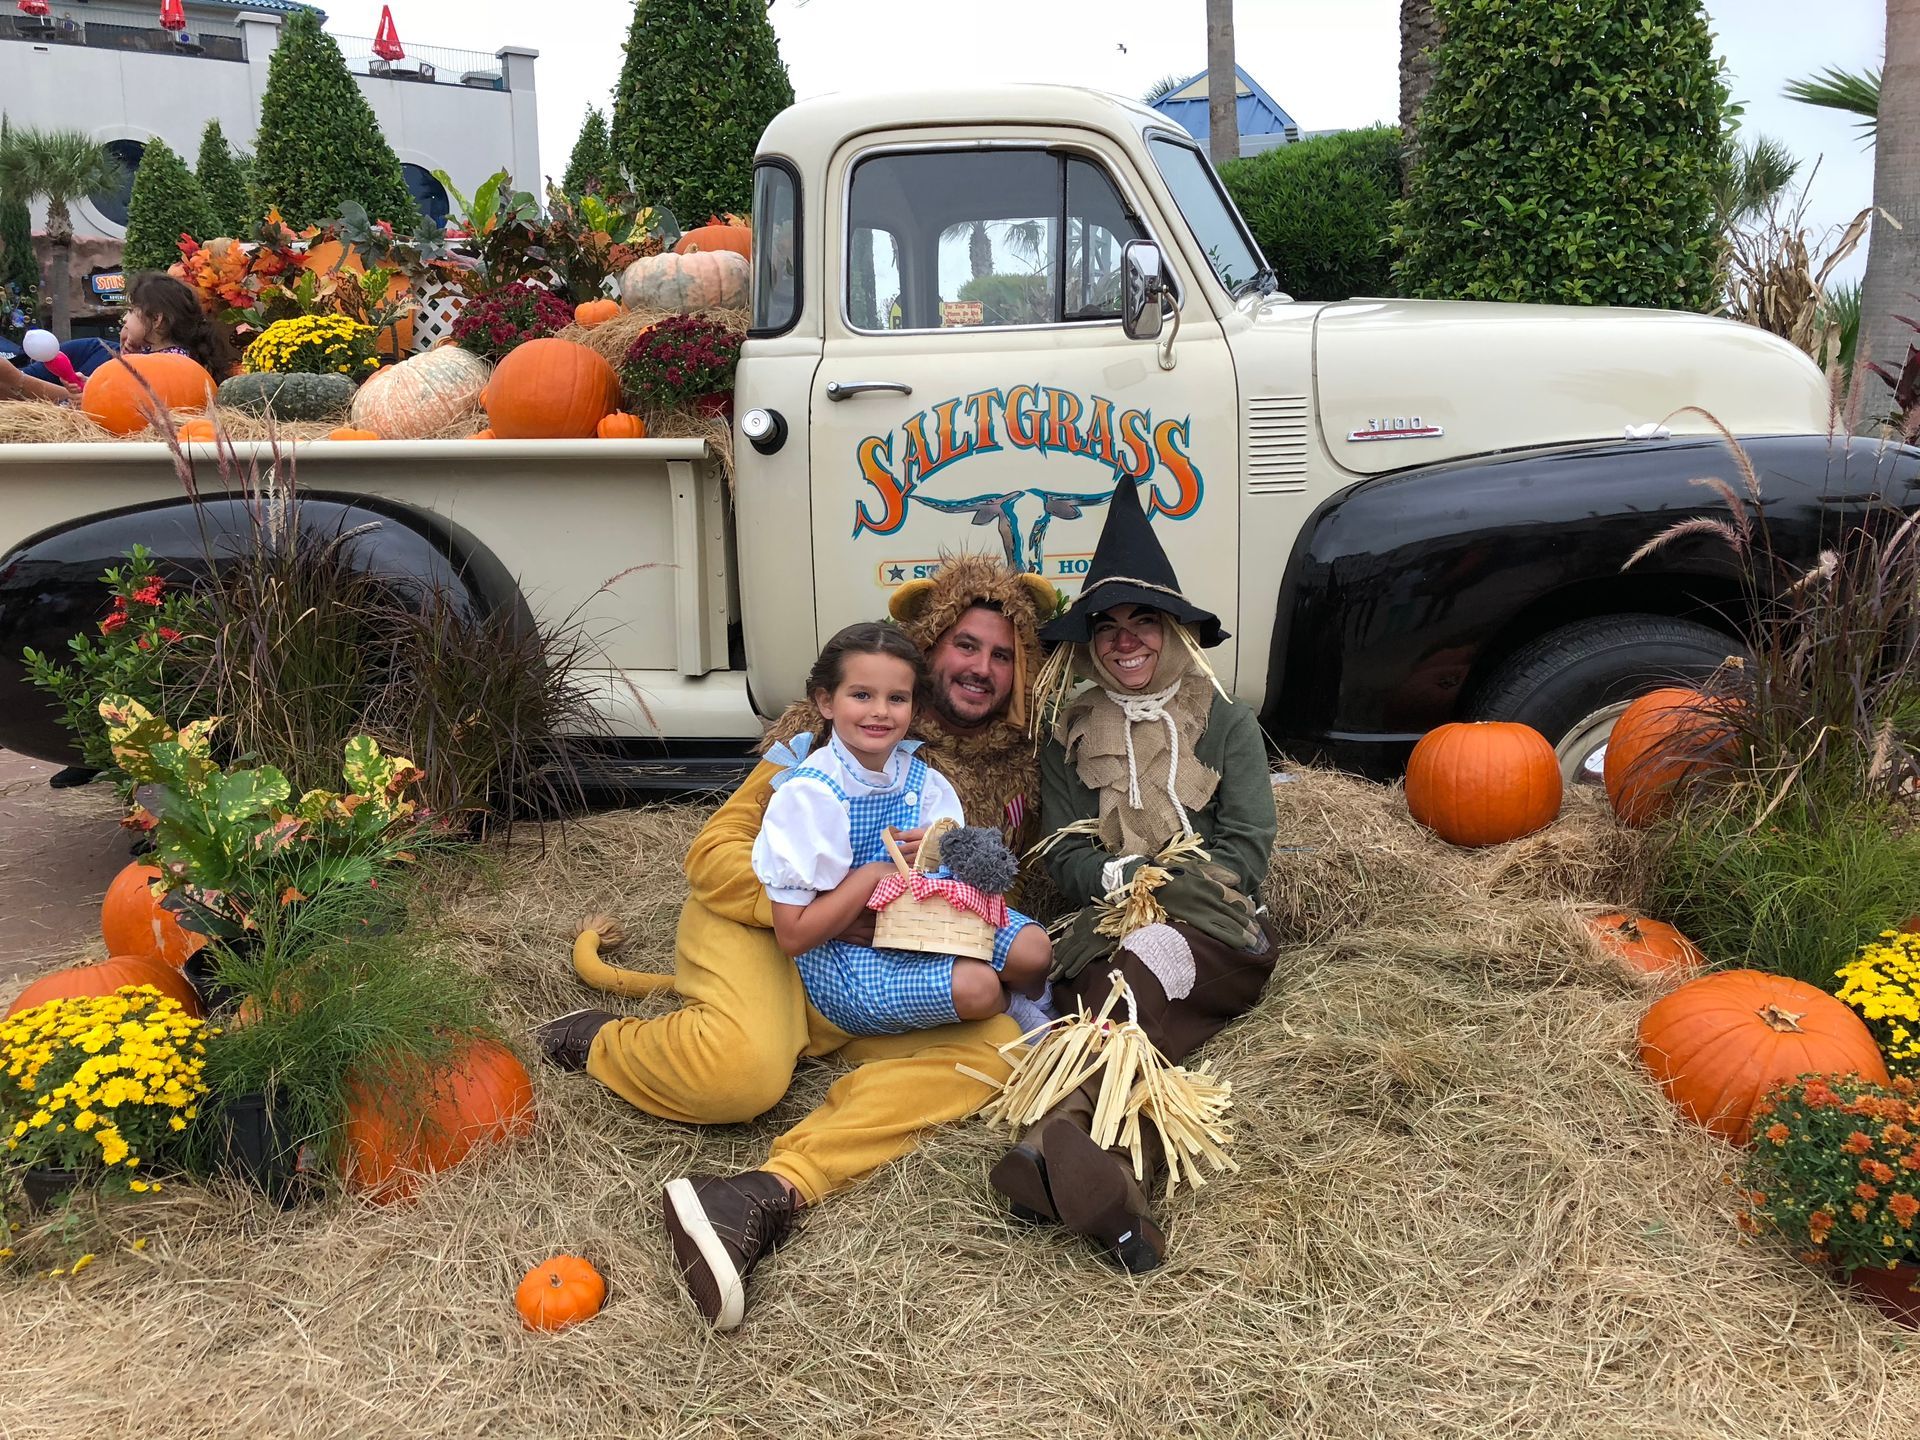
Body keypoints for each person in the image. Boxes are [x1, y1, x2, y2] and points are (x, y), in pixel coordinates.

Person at [533, 555, 1057, 1331]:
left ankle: (764, 1192)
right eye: (966, 646)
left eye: (1004, 653)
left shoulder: (1019, 767)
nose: (982, 667)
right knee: (746, 1077)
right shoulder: (810, 743)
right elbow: (713, 859)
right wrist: (847, 913)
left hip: (877, 960)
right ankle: (607, 1041)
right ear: (932, 642)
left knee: (989, 1048)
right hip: (766, 926)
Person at [987, 475, 1280, 1274]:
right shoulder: (1070, 731)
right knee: (1097, 1003)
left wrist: (1169, 887)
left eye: (1142, 621)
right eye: (1108, 628)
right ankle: (1112, 1203)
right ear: (1090, 642)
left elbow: (1249, 849)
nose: (1126, 642)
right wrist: (1123, 882)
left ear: (1172, 629)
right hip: (1108, 927)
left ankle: (1048, 1147)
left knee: (1129, 989)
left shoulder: (1225, 721)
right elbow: (1067, 852)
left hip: (1214, 928)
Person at [752, 621, 1050, 1036]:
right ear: (826, 701)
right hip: (849, 955)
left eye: (897, 698)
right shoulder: (811, 796)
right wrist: (876, 874)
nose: (879, 711)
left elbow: (951, 876)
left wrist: (940, 853)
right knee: (977, 987)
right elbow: (793, 935)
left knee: (1035, 950)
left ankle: (1039, 996)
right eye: (861, 695)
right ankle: (1011, 1009)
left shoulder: (921, 780)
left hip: (921, 921)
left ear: (914, 707)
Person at [119, 273, 235, 377]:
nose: (124, 319)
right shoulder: (177, 358)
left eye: (131, 310)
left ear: (156, 319)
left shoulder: (166, 367)